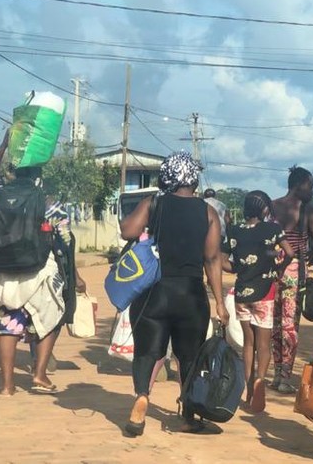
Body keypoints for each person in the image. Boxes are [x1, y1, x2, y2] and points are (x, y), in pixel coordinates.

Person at [119, 151, 228, 437]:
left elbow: (127, 231)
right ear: (192, 179)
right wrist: (219, 302)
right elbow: (213, 258)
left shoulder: (153, 203)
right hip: (191, 294)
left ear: (167, 176)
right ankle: (189, 416)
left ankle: (142, 397)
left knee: (147, 352)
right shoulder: (208, 212)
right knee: (188, 356)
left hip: (154, 291)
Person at [0, 131, 82, 396]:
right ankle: (39, 375)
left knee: (8, 327)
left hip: (0, 271)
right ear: (38, 177)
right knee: (53, 320)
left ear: (13, 174)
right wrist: (74, 275)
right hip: (38, 272)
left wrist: (1, 146)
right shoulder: (49, 204)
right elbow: (64, 242)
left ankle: (7, 387)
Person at [222, 190, 295, 414]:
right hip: (266, 292)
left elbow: (223, 261)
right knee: (264, 344)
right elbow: (290, 252)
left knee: (248, 344)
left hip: (242, 293)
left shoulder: (234, 231)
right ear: (265, 209)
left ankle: (249, 392)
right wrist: (277, 268)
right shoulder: (272, 229)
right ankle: (260, 380)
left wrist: (240, 268)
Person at [269, 166, 313, 394]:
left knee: (274, 324)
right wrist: (309, 255)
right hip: (296, 270)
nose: (312, 191)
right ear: (299, 185)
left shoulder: (272, 206)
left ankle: (275, 374)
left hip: (272, 269)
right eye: (310, 186)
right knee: (290, 325)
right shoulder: (307, 211)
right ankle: (284, 377)